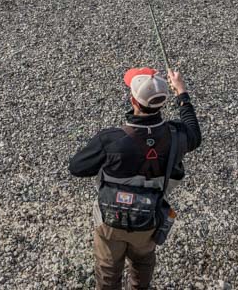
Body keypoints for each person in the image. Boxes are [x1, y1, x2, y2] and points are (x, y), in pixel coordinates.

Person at [69, 68, 202, 290]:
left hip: (110, 219)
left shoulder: (111, 139)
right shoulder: (178, 136)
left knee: (109, 269)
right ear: (162, 103)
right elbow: (195, 133)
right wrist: (182, 92)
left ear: (133, 100)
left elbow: (76, 167)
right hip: (149, 218)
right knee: (143, 262)